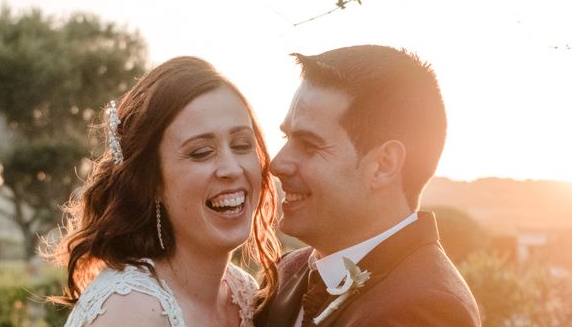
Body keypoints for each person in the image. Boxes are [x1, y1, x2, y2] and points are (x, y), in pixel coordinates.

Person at [256, 45, 481, 327]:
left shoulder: (425, 310)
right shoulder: (287, 271)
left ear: (384, 165)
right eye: (286, 138)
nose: (277, 164)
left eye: (309, 145)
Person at [47, 56, 280, 327]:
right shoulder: (131, 310)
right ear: (151, 182)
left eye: (241, 145)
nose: (231, 168)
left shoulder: (243, 294)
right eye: (202, 152)